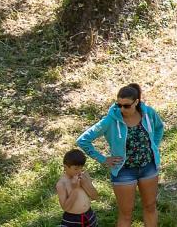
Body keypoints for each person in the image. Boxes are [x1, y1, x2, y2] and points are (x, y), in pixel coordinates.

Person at [76, 84, 167, 227]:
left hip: (148, 168)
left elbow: (159, 127)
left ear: (136, 102)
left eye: (126, 106)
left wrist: (154, 146)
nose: (122, 109)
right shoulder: (110, 120)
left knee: (150, 207)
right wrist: (103, 159)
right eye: (119, 105)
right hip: (124, 171)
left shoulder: (148, 113)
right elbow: (83, 140)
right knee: (126, 214)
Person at [56, 149, 99, 227]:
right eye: (76, 169)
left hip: (89, 215)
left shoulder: (84, 176)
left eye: (81, 168)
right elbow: (65, 207)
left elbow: (95, 196)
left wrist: (86, 184)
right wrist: (75, 189)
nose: (79, 172)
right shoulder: (62, 184)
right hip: (72, 219)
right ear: (65, 167)